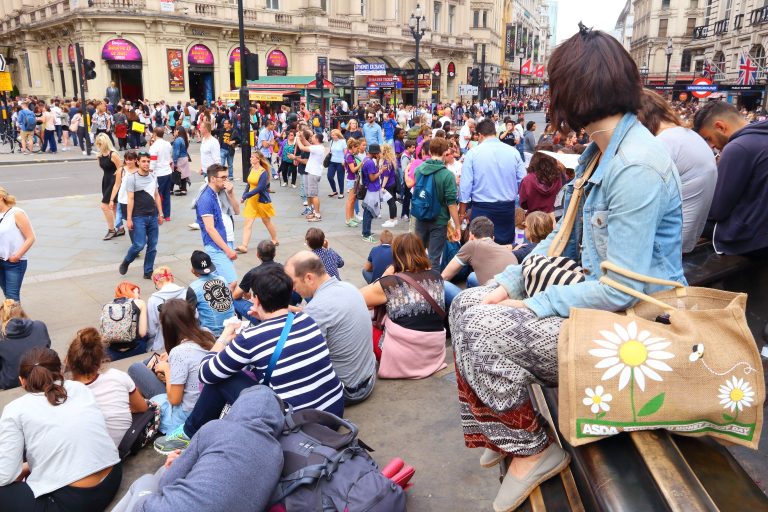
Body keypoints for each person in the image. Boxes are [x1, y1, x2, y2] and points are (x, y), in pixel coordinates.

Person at [449, 29, 684, 511]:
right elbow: (562, 240)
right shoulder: (602, 152)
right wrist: (509, 282)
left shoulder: (635, 165)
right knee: (470, 304)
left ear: (573, 92)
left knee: (486, 327)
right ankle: (506, 436)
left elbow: (621, 288)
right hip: (605, 314)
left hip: (636, 331)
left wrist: (529, 303)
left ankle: (533, 449)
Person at [153, 266, 344, 454]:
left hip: (301, 427)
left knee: (221, 379)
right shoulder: (306, 319)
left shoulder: (251, 337)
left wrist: (224, 337)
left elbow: (206, 374)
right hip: (333, 414)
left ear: (257, 299)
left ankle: (188, 432)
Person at [111, 386, 283, 512]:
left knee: (145, 481)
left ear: (240, 406)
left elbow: (166, 484)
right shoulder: (277, 454)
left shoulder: (216, 428)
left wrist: (175, 467)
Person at [0, 348, 122, 511]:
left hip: (74, 502)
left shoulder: (15, 409)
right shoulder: (80, 389)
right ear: (61, 371)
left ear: (22, 381)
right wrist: (28, 466)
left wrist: (21, 468)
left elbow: (5, 476)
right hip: (111, 478)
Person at [285, 251, 377, 404]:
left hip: (349, 391)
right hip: (369, 377)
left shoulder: (316, 309)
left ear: (308, 278)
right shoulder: (349, 287)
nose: (292, 289)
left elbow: (304, 359)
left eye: (293, 283)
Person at [637, 90, 717, 254]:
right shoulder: (689, 136)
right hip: (688, 238)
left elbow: (641, 204)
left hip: (668, 247)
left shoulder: (663, 143)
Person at [360, 233, 447, 379]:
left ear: (396, 254)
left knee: (361, 320)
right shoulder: (437, 276)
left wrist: (384, 275)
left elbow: (354, 299)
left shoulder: (390, 283)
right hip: (433, 354)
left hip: (402, 359)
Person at [128, 299, 215, 434]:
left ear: (168, 327)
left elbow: (174, 400)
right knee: (147, 363)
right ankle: (141, 405)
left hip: (184, 415)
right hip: (206, 403)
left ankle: (142, 411)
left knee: (135, 368)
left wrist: (167, 370)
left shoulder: (179, 352)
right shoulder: (207, 334)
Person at [692, 101, 768, 257]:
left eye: (708, 138)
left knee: (686, 219)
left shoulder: (738, 147)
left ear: (720, 126)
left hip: (751, 240)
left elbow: (717, 211)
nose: (711, 146)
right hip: (762, 233)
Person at [66, 327, 149, 447]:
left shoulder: (63, 391)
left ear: (68, 360)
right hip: (122, 445)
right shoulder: (117, 376)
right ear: (100, 359)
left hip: (84, 450)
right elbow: (142, 408)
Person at [459, 119, 527, 245]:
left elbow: (465, 186)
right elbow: (523, 181)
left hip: (482, 207)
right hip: (506, 207)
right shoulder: (513, 152)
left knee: (480, 248)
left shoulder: (473, 153)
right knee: (505, 247)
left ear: (480, 135)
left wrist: (462, 213)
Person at [442, 216, 519, 305]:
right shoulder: (506, 250)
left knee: (441, 284)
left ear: (471, 236)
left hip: (489, 303)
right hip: (511, 300)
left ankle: (464, 310)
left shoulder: (472, 245)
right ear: (492, 238)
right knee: (472, 276)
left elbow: (445, 276)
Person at [412, 137, 461, 268]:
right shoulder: (447, 175)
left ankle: (415, 285)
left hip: (421, 216)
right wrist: (457, 226)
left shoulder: (419, 169)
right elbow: (451, 204)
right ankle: (432, 286)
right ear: (445, 152)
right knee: (434, 258)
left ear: (429, 150)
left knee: (417, 255)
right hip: (439, 220)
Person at [119, 151, 165, 280]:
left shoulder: (152, 176)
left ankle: (148, 271)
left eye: (148, 161)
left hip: (153, 216)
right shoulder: (131, 178)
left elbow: (156, 195)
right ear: (138, 162)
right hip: (138, 216)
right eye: (143, 161)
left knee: (153, 245)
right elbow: (130, 199)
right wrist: (129, 219)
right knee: (139, 244)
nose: (146, 164)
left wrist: (160, 213)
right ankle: (127, 261)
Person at [194, 164, 239, 287]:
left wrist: (231, 193)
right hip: (217, 246)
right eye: (223, 177)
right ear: (213, 178)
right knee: (232, 282)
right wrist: (228, 250)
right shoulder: (206, 198)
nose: (226, 180)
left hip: (227, 240)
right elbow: (210, 228)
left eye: (227, 177)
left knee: (218, 282)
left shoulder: (220, 193)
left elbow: (237, 211)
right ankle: (226, 306)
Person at [0, 300, 51, 389]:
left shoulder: (1, 336)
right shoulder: (40, 326)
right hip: (42, 373)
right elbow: (46, 347)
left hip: (11, 380)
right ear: (22, 312)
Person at [236, 152, 279, 254]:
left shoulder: (263, 172)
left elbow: (260, 188)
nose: (250, 158)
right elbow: (248, 184)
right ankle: (244, 246)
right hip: (251, 201)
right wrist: (244, 196)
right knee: (248, 223)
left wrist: (247, 195)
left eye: (252, 157)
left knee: (266, 221)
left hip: (261, 201)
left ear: (258, 159)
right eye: (250, 157)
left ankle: (275, 239)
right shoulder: (251, 169)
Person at [185, 250, 234, 336]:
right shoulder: (222, 279)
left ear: (193, 270)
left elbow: (189, 315)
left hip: (212, 334)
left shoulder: (193, 288)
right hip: (231, 327)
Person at [232, 240, 281, 324]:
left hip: (263, 315)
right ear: (274, 254)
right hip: (283, 308)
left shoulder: (252, 273)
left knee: (234, 300)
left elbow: (236, 295)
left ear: (257, 254)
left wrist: (245, 292)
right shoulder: (284, 269)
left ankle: (238, 327)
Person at [0, 187, 35, 301]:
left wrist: (17, 256)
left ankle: (13, 319)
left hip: (14, 263)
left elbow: (31, 237)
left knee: (12, 298)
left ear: (1, 197)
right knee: (8, 297)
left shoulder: (16, 213)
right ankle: (15, 319)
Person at [146, 266, 187, 351]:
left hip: (165, 343)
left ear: (156, 282)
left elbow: (152, 330)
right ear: (172, 278)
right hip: (187, 338)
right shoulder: (186, 292)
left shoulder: (153, 300)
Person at [95, 133, 122, 240]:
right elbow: (103, 169)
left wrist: (116, 177)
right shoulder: (99, 156)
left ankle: (111, 230)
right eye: (98, 143)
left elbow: (120, 168)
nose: (99, 145)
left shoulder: (113, 154)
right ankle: (120, 228)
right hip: (106, 181)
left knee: (104, 206)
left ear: (106, 143)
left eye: (101, 143)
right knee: (114, 205)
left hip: (114, 181)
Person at [296, 130, 325, 222]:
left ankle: (317, 215)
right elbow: (306, 143)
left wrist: (297, 138)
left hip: (314, 173)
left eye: (313, 137)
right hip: (311, 172)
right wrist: (302, 137)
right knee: (310, 193)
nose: (311, 138)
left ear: (317, 139)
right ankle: (312, 212)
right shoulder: (316, 147)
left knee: (314, 194)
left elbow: (302, 147)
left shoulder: (318, 148)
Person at [360, 143, 383, 243]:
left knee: (367, 211)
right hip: (371, 189)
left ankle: (365, 231)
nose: (379, 154)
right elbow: (372, 178)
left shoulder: (366, 159)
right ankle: (366, 234)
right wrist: (381, 171)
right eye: (378, 153)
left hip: (369, 188)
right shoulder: (370, 163)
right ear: (375, 153)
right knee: (369, 212)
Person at [149, 127, 174, 221]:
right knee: (167, 194)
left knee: (157, 194)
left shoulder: (154, 146)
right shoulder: (167, 144)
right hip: (167, 171)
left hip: (158, 173)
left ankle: (158, 214)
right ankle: (167, 215)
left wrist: (150, 170)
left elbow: (153, 161)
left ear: (155, 134)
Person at [344, 138, 362, 227]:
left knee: (353, 200)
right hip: (351, 180)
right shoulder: (349, 156)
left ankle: (351, 217)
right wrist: (361, 164)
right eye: (356, 147)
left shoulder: (350, 155)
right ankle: (348, 219)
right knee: (350, 200)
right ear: (352, 147)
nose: (357, 149)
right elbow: (353, 169)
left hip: (354, 179)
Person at [380, 143, 399, 228]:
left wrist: (382, 186)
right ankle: (394, 218)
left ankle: (392, 219)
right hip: (392, 183)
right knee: (392, 202)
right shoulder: (390, 160)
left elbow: (386, 176)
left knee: (390, 202)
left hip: (388, 184)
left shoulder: (386, 162)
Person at [171, 126, 191, 196]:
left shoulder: (178, 140)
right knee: (183, 174)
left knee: (174, 173)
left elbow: (176, 152)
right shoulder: (184, 139)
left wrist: (175, 162)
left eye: (174, 131)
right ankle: (183, 189)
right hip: (185, 158)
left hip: (179, 159)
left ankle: (171, 189)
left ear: (178, 131)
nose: (174, 133)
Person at [327, 129, 347, 197]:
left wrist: (345, 161)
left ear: (337, 135)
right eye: (331, 135)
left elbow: (345, 152)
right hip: (332, 161)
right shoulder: (331, 141)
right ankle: (334, 191)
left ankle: (341, 193)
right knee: (329, 176)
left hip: (340, 162)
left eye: (333, 135)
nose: (332, 136)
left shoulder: (343, 141)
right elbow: (330, 151)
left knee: (340, 178)